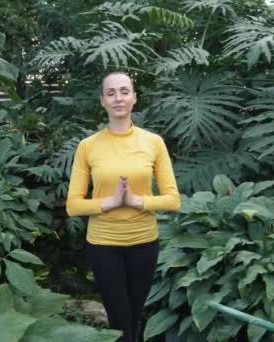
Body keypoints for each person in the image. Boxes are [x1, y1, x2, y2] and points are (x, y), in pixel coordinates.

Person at [66, 71, 181, 342]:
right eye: (111, 93)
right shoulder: (88, 146)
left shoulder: (153, 142)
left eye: (124, 91)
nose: (118, 98)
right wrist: (112, 202)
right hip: (103, 246)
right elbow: (73, 205)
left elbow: (173, 199)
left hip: (144, 243)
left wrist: (135, 201)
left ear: (134, 98)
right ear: (103, 101)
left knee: (134, 314)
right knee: (119, 317)